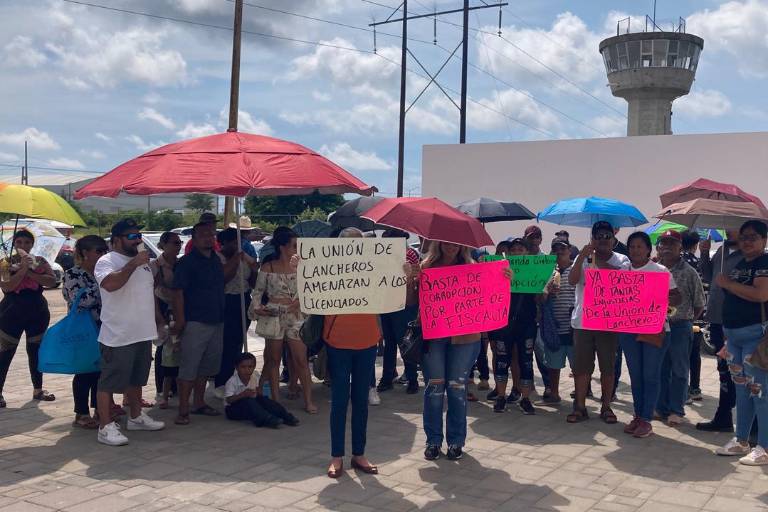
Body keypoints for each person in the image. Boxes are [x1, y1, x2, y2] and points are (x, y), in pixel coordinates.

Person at [419, 241, 513, 461]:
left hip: (465, 337)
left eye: (456, 243)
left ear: (463, 246)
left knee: (456, 388)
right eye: (446, 242)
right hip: (434, 336)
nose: (451, 246)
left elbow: (489, 297)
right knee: (434, 388)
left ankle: (455, 442)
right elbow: (412, 301)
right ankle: (433, 440)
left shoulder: (475, 268)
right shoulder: (426, 267)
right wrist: (408, 279)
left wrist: (504, 278)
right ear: (438, 243)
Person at [94, 219, 164, 446]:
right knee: (109, 382)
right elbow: (110, 285)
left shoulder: (144, 262)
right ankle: (105, 427)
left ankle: (135, 416)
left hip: (142, 332)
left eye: (139, 235)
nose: (138, 240)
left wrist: (158, 320)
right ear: (116, 240)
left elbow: (148, 293)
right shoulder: (107, 261)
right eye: (132, 236)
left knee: (137, 379)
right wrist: (132, 264)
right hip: (118, 334)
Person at [324, 227, 382, 478]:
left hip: (367, 340)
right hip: (337, 342)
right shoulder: (327, 267)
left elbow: (394, 290)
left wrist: (403, 274)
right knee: (339, 401)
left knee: (361, 401)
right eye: (347, 243)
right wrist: (298, 265)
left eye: (357, 243)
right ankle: (337, 456)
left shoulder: (374, 268)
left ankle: (359, 453)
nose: (352, 247)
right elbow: (307, 286)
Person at [714, 220, 768, 465]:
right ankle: (741, 440)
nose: (747, 241)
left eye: (753, 237)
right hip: (734, 337)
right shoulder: (738, 263)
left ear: (764, 239)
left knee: (759, 392)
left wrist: (729, 284)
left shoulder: (764, 262)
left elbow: (761, 295)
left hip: (755, 336)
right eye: (744, 236)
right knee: (741, 391)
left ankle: (764, 447)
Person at [567, 221, 630, 424]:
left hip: (608, 323)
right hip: (583, 322)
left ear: (613, 239)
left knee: (608, 367)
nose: (603, 240)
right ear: (592, 239)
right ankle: (580, 406)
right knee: (581, 367)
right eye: (598, 236)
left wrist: (596, 262)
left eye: (607, 236)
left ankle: (606, 406)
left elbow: (619, 281)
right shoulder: (582, 258)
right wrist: (582, 258)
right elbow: (572, 280)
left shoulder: (622, 260)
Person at [171, 222, 234, 425]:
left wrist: (237, 260)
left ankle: (199, 403)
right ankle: (183, 410)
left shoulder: (215, 259)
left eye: (211, 235)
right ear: (194, 238)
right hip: (196, 320)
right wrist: (180, 320)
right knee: (189, 366)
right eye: (203, 235)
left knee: (207, 367)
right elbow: (177, 292)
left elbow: (223, 279)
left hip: (217, 319)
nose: (209, 238)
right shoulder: (186, 263)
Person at [620, 232, 680, 438]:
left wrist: (657, 296)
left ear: (648, 249)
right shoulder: (622, 271)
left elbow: (677, 297)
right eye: (632, 247)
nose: (635, 250)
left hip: (655, 330)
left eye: (639, 246)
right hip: (628, 330)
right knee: (636, 376)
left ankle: (646, 419)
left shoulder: (660, 270)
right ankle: (638, 415)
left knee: (650, 375)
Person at [251, 227, 317, 413]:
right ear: (283, 247)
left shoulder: (303, 265)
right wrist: (258, 308)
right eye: (294, 245)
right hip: (274, 313)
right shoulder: (268, 267)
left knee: (301, 359)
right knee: (273, 358)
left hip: (296, 314)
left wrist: (300, 302)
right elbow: (258, 292)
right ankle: (275, 399)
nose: (297, 249)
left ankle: (308, 400)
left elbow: (312, 288)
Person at [0, 229, 57, 408]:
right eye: (19, 242)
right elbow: (7, 286)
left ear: (32, 245)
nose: (23, 246)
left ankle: (38, 389)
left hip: (37, 311)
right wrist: (22, 269)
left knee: (36, 351)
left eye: (27, 242)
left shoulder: (40, 261)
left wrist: (31, 271)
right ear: (14, 244)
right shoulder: (5, 262)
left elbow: (51, 281)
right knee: (5, 353)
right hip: (11, 312)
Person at [656, 230, 705, 426]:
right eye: (663, 243)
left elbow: (699, 303)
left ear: (680, 247)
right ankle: (661, 407)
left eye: (671, 243)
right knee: (660, 368)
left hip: (680, 326)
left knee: (679, 369)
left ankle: (676, 410)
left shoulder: (689, 272)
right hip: (658, 327)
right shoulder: (654, 269)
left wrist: (687, 320)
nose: (666, 246)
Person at [696, 230, 742, 432]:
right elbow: (708, 275)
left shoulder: (748, 256)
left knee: (737, 370)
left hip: (732, 319)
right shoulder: (722, 250)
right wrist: (704, 253)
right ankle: (723, 416)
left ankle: (747, 424)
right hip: (715, 317)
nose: (730, 230)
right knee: (723, 369)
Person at [62, 235, 109, 429]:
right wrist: (101, 284)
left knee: (101, 371)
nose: (103, 254)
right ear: (84, 253)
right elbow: (80, 301)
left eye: (104, 250)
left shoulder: (104, 271)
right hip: (83, 329)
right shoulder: (73, 274)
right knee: (84, 371)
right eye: (99, 250)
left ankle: (100, 408)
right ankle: (81, 412)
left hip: (104, 327)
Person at [490, 238, 538, 415]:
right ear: (508, 254)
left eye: (521, 249)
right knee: (502, 360)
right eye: (514, 250)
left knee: (526, 361)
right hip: (503, 323)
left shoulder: (535, 271)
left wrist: (547, 288)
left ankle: (525, 399)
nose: (517, 252)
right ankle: (501, 397)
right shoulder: (499, 271)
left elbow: (541, 298)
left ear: (527, 253)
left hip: (527, 324)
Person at [215, 228, 258, 396]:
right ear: (224, 243)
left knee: (238, 341)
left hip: (243, 299)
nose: (236, 245)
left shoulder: (244, 256)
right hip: (226, 300)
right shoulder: (218, 258)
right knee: (226, 343)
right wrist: (235, 259)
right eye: (232, 242)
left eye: (238, 242)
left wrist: (252, 267)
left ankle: (237, 378)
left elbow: (252, 280)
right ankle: (221, 380)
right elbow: (224, 277)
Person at [377, 229, 421, 395]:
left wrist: (410, 276)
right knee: (389, 343)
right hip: (386, 303)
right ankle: (388, 377)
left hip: (404, 305)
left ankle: (412, 378)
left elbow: (416, 279)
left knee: (405, 342)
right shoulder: (381, 257)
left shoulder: (409, 255)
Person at [541, 236, 576, 404]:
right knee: (553, 364)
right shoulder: (548, 271)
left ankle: (580, 391)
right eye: (556, 250)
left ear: (569, 251)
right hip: (554, 327)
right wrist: (546, 292)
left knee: (577, 365)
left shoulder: (577, 270)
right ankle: (554, 392)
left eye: (563, 249)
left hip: (574, 327)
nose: (559, 252)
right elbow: (538, 299)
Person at [224, 352, 299, 429]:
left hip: (250, 406)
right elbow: (229, 400)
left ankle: (285, 416)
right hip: (233, 409)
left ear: (254, 367)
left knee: (264, 400)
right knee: (248, 401)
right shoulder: (232, 382)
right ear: (236, 368)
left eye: (250, 367)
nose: (247, 370)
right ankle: (267, 420)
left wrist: (257, 394)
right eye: (243, 367)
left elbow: (258, 393)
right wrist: (243, 395)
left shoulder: (254, 377)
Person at [151, 231, 182, 409]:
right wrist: (157, 316)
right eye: (174, 243)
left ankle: (176, 386)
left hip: (178, 309)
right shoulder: (155, 266)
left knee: (178, 348)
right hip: (162, 309)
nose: (177, 246)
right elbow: (151, 293)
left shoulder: (182, 264)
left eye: (179, 243)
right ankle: (162, 389)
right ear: (163, 245)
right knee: (163, 350)